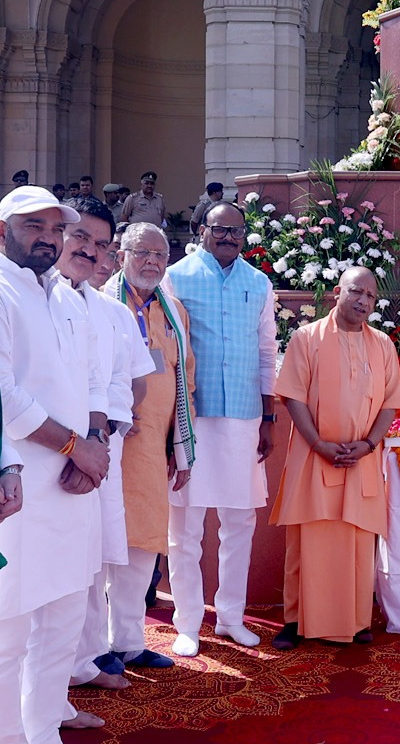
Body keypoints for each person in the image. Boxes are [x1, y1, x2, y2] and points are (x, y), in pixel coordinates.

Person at [0, 186, 109, 744]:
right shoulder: (1, 291)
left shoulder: (67, 298)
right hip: (18, 484)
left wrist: (92, 443)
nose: (46, 238)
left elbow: (92, 380)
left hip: (75, 485)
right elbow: (6, 396)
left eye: (53, 228)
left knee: (64, 620)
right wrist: (76, 448)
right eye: (31, 227)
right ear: (3, 232)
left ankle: (44, 732)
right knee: (10, 627)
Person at [269, 266, 400, 649]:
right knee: (307, 539)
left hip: (361, 459)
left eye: (371, 297)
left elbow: (390, 403)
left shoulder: (383, 345)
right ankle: (295, 621)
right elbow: (293, 395)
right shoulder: (306, 337)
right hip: (315, 456)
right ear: (336, 293)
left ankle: (357, 621)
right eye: (356, 292)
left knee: (358, 541)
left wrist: (369, 444)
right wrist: (317, 443)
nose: (363, 301)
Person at [165, 201, 277, 655]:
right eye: (219, 229)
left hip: (245, 416)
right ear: (200, 230)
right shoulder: (178, 276)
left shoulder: (259, 282)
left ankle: (230, 617)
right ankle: (187, 622)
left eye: (236, 230)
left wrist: (268, 417)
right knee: (186, 526)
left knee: (239, 522)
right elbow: (168, 346)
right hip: (194, 415)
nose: (228, 237)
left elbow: (267, 351)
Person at [56, 201, 154, 723]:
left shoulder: (109, 312)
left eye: (99, 243)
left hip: (101, 450)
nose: (90, 251)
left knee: (91, 561)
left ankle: (83, 658)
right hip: (47, 451)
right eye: (80, 238)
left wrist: (97, 440)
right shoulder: (42, 296)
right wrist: (76, 445)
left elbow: (122, 383)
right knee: (54, 571)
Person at [105, 224, 195, 671]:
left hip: (150, 453)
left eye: (161, 255)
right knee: (98, 550)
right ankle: (89, 652)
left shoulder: (173, 311)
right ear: (122, 253)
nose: (153, 262)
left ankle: (127, 642)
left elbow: (186, 382)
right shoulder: (101, 303)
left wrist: (182, 449)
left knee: (141, 548)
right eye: (143, 252)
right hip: (102, 449)